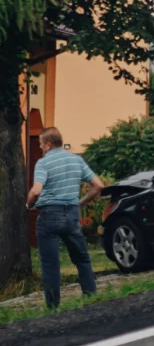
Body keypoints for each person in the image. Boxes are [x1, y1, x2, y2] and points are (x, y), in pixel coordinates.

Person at [25, 127, 104, 310]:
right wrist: (79, 202)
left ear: (49, 144)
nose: (41, 147)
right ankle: (91, 298)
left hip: (49, 215)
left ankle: (53, 307)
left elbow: (36, 190)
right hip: (72, 214)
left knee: (50, 263)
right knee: (82, 258)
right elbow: (98, 186)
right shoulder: (76, 159)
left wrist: (28, 205)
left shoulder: (43, 163)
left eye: (41, 144)